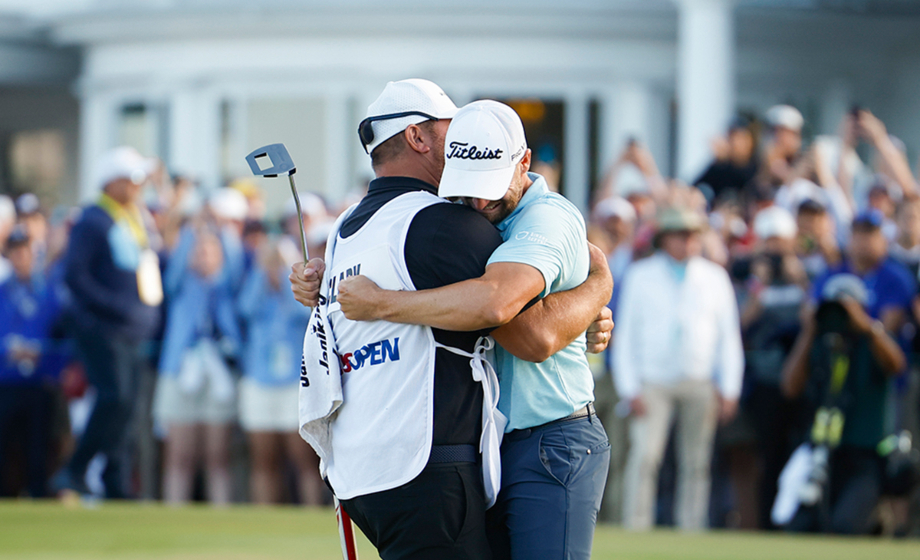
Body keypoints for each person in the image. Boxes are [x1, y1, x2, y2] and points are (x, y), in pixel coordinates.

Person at [332, 100, 613, 560]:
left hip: (551, 436)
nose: (479, 203)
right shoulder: (463, 210)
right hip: (495, 442)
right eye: (466, 190)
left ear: (523, 162)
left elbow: (520, 326)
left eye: (489, 188)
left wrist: (383, 304)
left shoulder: (548, 216)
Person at [613, 206, 744, 531]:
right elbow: (625, 334)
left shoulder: (715, 277)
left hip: (699, 379)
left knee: (696, 462)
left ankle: (692, 529)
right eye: (680, 235)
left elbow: (729, 337)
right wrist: (629, 388)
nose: (687, 241)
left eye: (692, 235)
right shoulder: (640, 275)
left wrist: (730, 387)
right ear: (664, 239)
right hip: (652, 380)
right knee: (645, 457)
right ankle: (636, 527)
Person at [55, 147, 162, 499]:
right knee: (114, 398)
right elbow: (76, 276)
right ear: (112, 182)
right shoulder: (93, 220)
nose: (138, 186)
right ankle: (75, 469)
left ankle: (116, 481)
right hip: (103, 328)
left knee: (127, 405)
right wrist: (116, 306)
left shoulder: (130, 217)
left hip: (131, 330)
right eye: (132, 180)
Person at [154, 226, 241, 506]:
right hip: (181, 370)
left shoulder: (226, 286)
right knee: (179, 455)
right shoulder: (180, 284)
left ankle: (221, 516)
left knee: (218, 457)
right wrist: (191, 231)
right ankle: (174, 514)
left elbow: (238, 263)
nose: (203, 256)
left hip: (219, 372)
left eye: (210, 251)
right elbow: (172, 273)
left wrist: (222, 227)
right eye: (198, 251)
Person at [237, 236, 323, 505]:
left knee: (303, 460)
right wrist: (262, 272)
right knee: (263, 461)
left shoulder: (298, 288)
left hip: (295, 382)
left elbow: (305, 311)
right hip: (260, 380)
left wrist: (288, 271)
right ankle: (265, 516)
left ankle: (311, 514)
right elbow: (245, 308)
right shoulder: (257, 285)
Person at [0, 227, 67, 497]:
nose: (21, 257)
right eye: (15, 252)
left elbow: (64, 337)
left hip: (41, 382)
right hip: (7, 380)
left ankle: (38, 493)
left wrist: (43, 354)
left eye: (26, 251)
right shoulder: (3, 292)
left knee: (39, 444)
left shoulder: (50, 292)